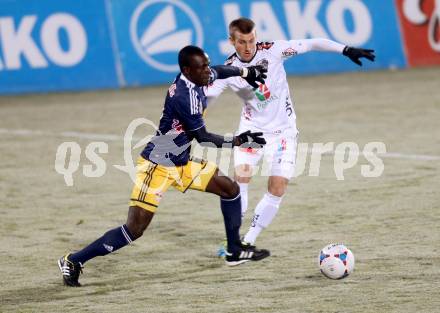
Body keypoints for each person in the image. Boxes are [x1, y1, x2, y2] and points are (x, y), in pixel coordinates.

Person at [58, 45, 270, 287]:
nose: (206, 72)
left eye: (206, 66)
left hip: (180, 161)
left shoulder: (196, 75)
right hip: (157, 165)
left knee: (229, 190)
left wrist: (246, 73)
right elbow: (203, 138)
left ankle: (234, 249)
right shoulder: (183, 96)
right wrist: (240, 140)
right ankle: (74, 260)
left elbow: (219, 71)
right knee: (134, 229)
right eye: (201, 68)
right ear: (186, 70)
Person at [207, 18, 375, 252]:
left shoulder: (274, 50)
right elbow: (207, 99)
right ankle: (233, 241)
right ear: (232, 41)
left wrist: (345, 49)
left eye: (252, 40)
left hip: (284, 131)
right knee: (240, 182)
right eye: (242, 42)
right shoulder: (228, 71)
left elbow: (313, 43)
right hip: (251, 132)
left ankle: (250, 239)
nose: (248, 46)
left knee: (277, 188)